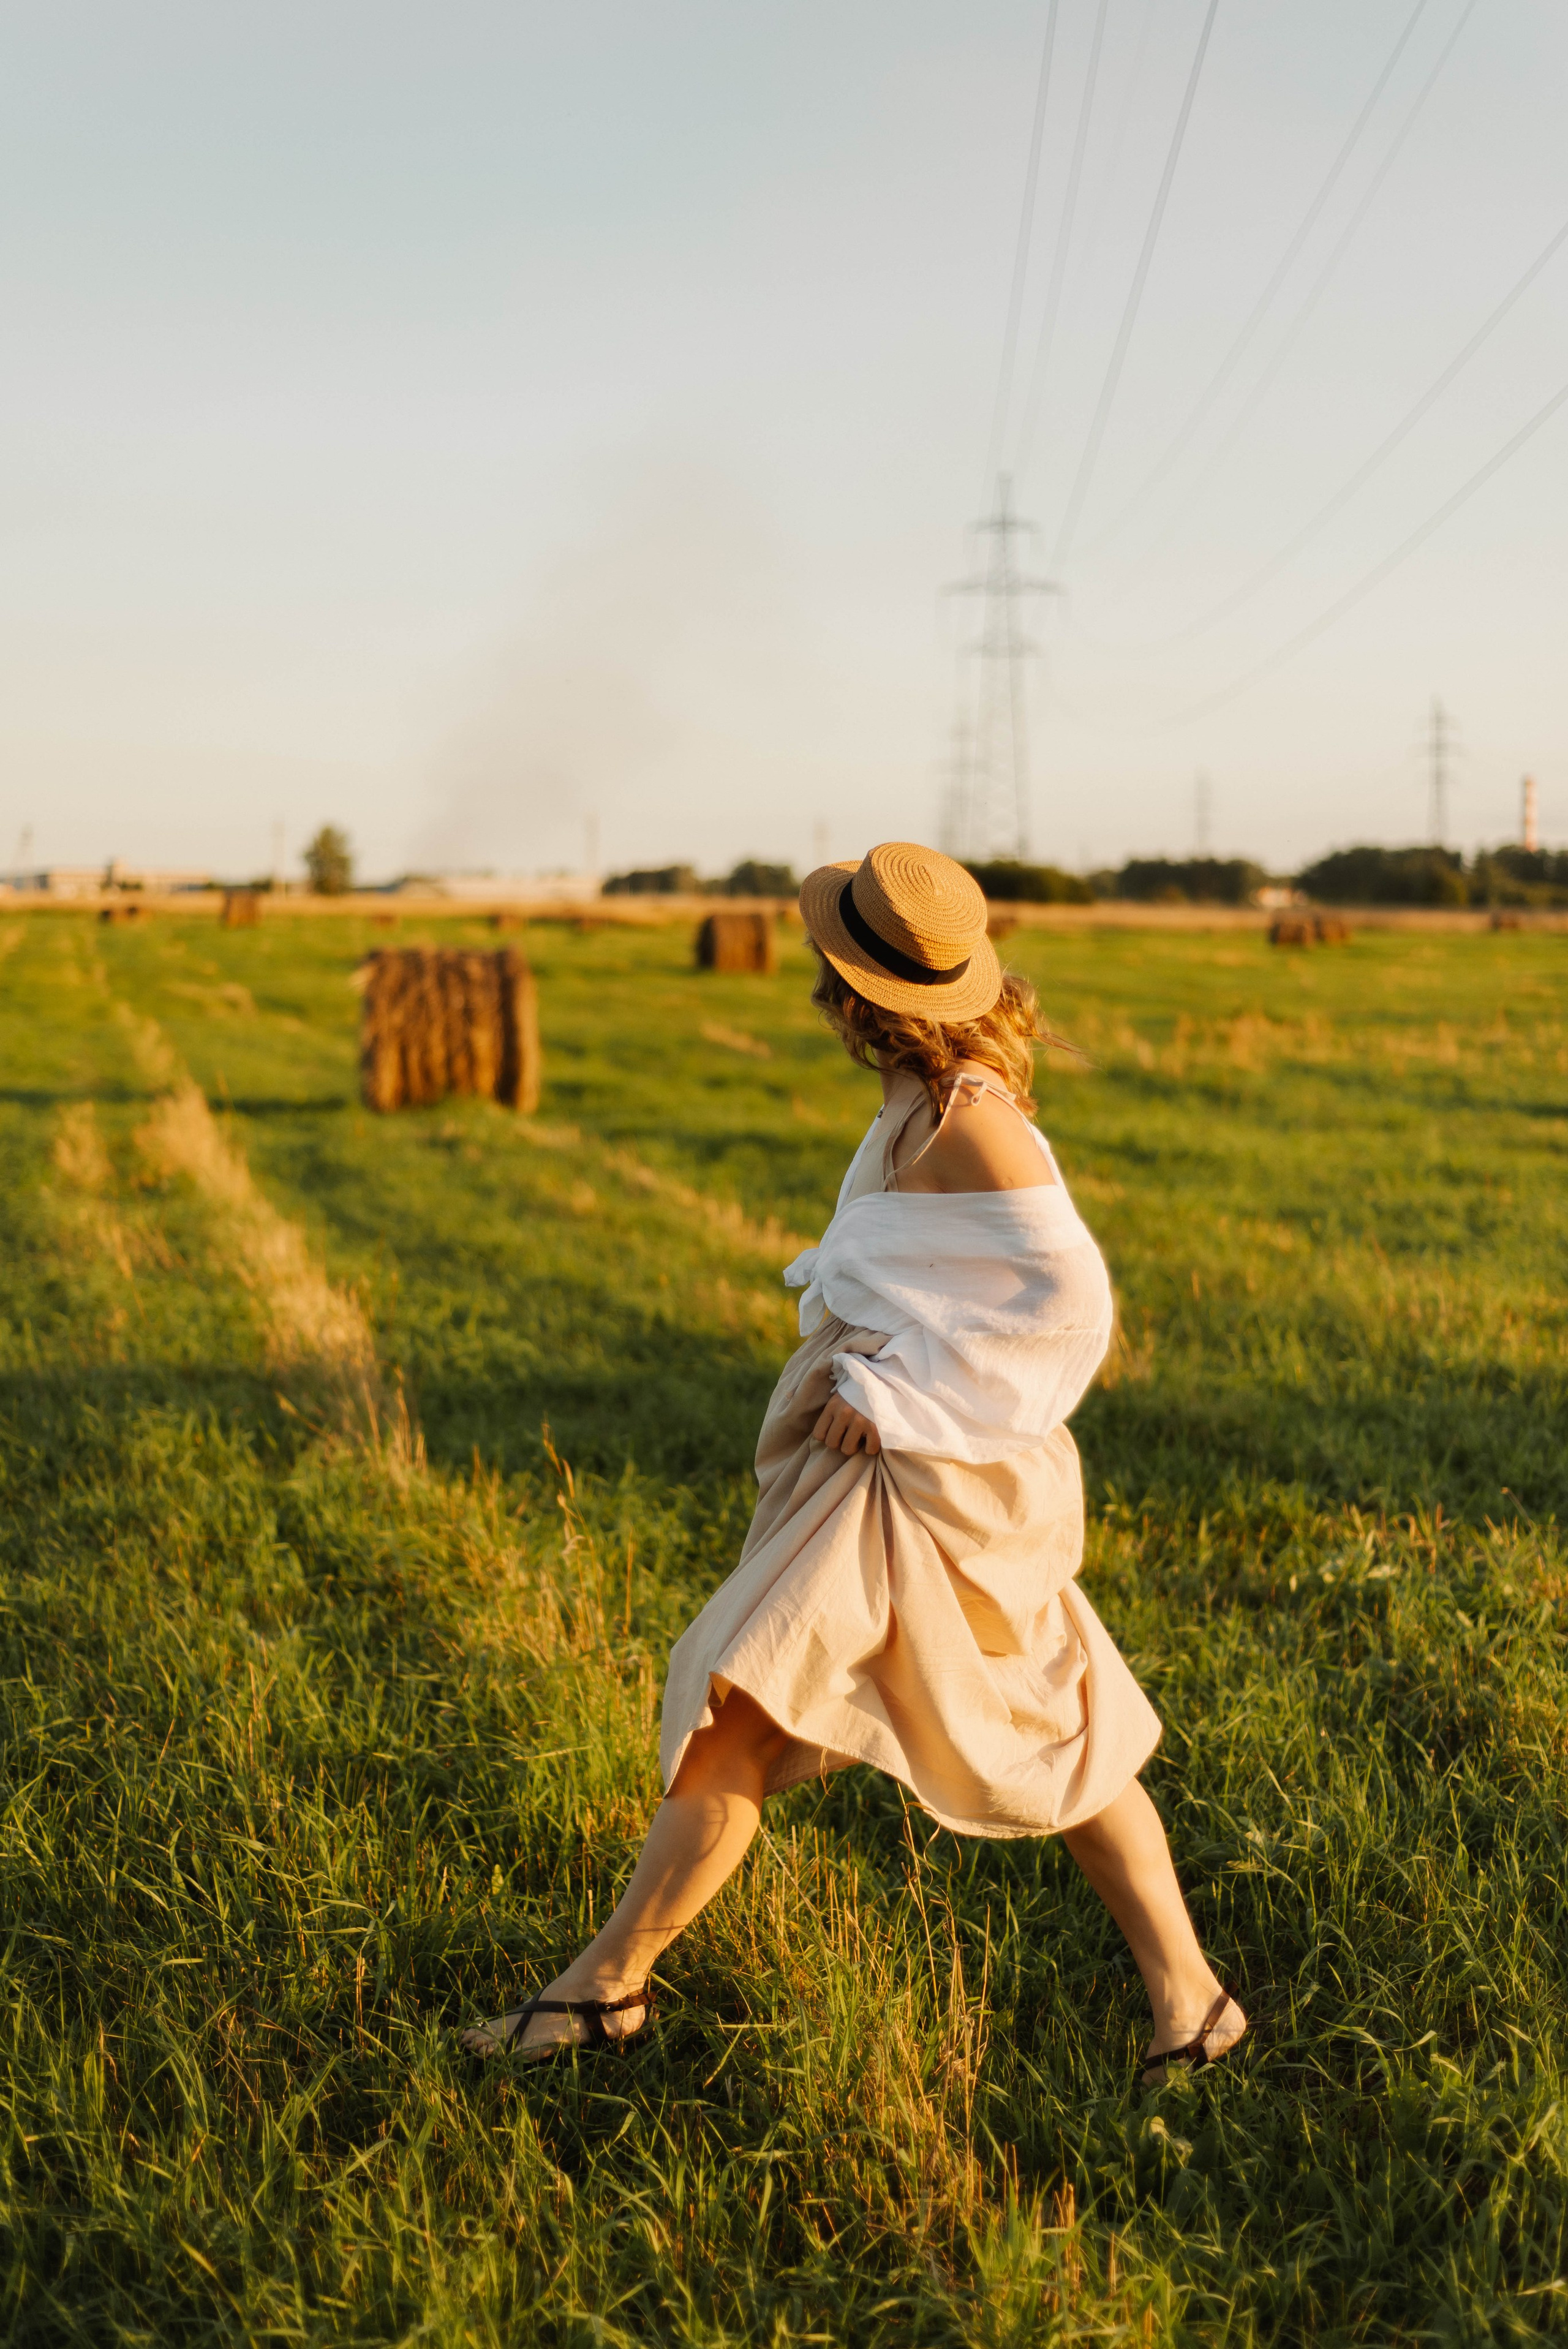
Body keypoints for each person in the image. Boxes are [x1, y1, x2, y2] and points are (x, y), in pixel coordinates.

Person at [462, 842, 1246, 2086]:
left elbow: (1071, 1307)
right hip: (888, 1483)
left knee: (747, 1710)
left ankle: (598, 1994)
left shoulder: (970, 1120)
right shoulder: (914, 1092)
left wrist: (895, 1392)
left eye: (831, 977)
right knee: (1033, 1726)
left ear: (860, 995)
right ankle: (1191, 2000)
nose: (819, 997)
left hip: (927, 1488)